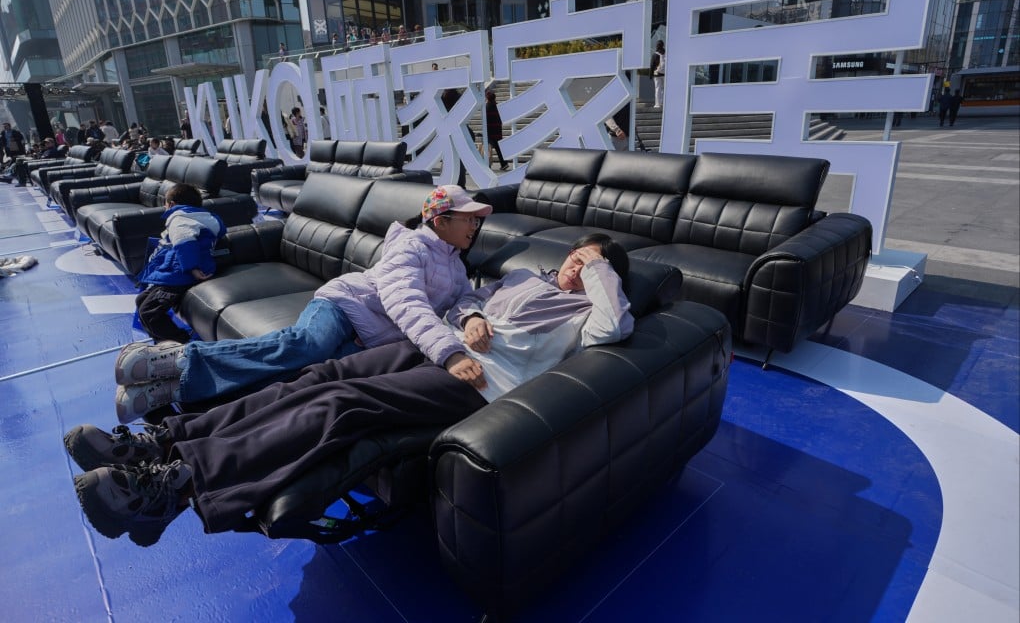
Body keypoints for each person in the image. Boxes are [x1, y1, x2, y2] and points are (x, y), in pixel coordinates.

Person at [64, 234, 632, 545]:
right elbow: (468, 299)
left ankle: (178, 486)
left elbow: (616, 327)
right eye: (574, 256)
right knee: (319, 376)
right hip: (441, 344)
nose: (574, 267)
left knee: (345, 404)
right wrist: (471, 317)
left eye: (587, 263)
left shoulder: (587, 314)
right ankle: (163, 440)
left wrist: (600, 268)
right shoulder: (525, 277)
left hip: (481, 381)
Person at [110, 185, 494, 423]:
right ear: (441, 220)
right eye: (469, 218)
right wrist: (448, 353)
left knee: (306, 377)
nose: (475, 226)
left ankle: (172, 391)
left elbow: (462, 300)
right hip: (343, 305)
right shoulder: (411, 247)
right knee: (306, 345)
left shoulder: (456, 268)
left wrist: (473, 315)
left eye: (477, 221)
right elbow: (403, 299)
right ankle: (175, 361)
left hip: (371, 338)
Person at [133, 184, 226, 344]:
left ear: (172, 204)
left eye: (165, 203)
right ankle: (162, 341)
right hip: (180, 270)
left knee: (149, 312)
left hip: (181, 274)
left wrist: (192, 268)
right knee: (141, 300)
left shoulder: (179, 219)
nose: (164, 207)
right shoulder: (203, 217)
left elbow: (185, 242)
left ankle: (181, 343)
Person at [485, 90, 510, 171]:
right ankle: (504, 163)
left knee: (487, 148)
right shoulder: (497, 106)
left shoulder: (487, 107)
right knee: (499, 148)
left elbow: (486, 120)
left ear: (487, 98)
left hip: (489, 131)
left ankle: (487, 165)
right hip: (497, 130)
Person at [650, 40, 666, 108]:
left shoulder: (654, 55)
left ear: (657, 46)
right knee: (664, 89)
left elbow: (652, 65)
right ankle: (663, 103)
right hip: (665, 74)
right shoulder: (666, 54)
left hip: (656, 74)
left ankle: (657, 104)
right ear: (663, 45)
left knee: (657, 88)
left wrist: (650, 75)